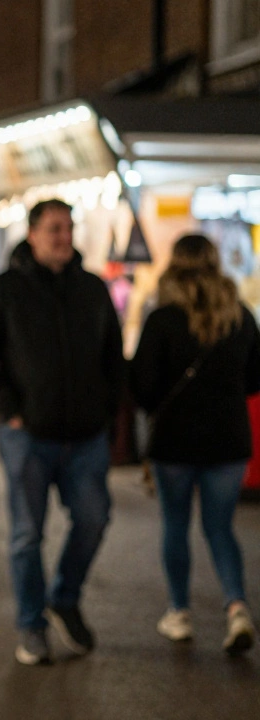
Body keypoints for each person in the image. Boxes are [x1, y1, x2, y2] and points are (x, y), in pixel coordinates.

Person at [0, 199, 124, 666]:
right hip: (28, 435)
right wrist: (11, 409)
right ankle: (31, 626)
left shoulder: (93, 289)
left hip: (86, 436)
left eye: (68, 228)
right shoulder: (5, 290)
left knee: (94, 519)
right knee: (27, 536)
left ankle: (65, 599)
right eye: (54, 228)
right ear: (32, 234)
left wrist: (108, 408)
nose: (63, 236)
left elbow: (112, 356)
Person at [130, 234, 258, 655]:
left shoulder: (162, 319)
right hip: (229, 441)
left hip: (175, 443)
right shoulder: (240, 315)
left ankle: (180, 613)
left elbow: (144, 388)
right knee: (221, 528)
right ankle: (237, 607)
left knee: (176, 525)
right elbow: (256, 378)